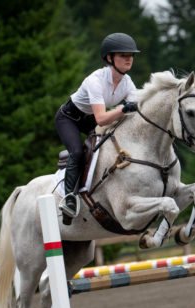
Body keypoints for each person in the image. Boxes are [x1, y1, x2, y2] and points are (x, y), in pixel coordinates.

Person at [55, 32, 140, 221]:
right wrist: (123, 109)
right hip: (68, 118)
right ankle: (69, 199)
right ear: (110, 58)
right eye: (123, 55)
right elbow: (101, 119)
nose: (129, 60)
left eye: (131, 55)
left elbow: (137, 109)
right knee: (77, 152)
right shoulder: (95, 80)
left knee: (110, 142)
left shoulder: (127, 82)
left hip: (89, 119)